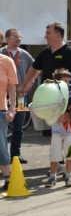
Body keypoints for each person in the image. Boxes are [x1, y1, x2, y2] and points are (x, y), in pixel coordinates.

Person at [17, 22, 71, 138]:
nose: (45, 36)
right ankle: (56, 156)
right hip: (49, 99)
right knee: (51, 133)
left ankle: (67, 155)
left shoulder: (69, 51)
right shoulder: (45, 52)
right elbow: (33, 69)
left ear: (58, 35)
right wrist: (24, 86)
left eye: (48, 33)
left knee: (67, 132)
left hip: (62, 100)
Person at [0, 29, 34, 164]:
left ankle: (16, 155)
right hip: (3, 95)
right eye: (15, 37)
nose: (19, 39)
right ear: (7, 39)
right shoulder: (2, 53)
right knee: (2, 128)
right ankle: (3, 157)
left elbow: (36, 68)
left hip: (19, 95)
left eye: (20, 37)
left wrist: (30, 81)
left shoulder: (25, 54)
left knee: (18, 126)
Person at [45, 69, 71, 187]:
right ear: (57, 82)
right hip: (57, 131)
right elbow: (49, 112)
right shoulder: (52, 96)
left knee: (70, 154)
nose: (68, 84)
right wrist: (58, 117)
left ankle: (68, 176)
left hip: (70, 131)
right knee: (55, 154)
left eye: (69, 81)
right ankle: (52, 177)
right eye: (64, 81)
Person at [0, 29, 17, 190]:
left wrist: (12, 108)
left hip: (0, 110)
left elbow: (12, 88)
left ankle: (6, 177)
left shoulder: (6, 61)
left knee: (1, 145)